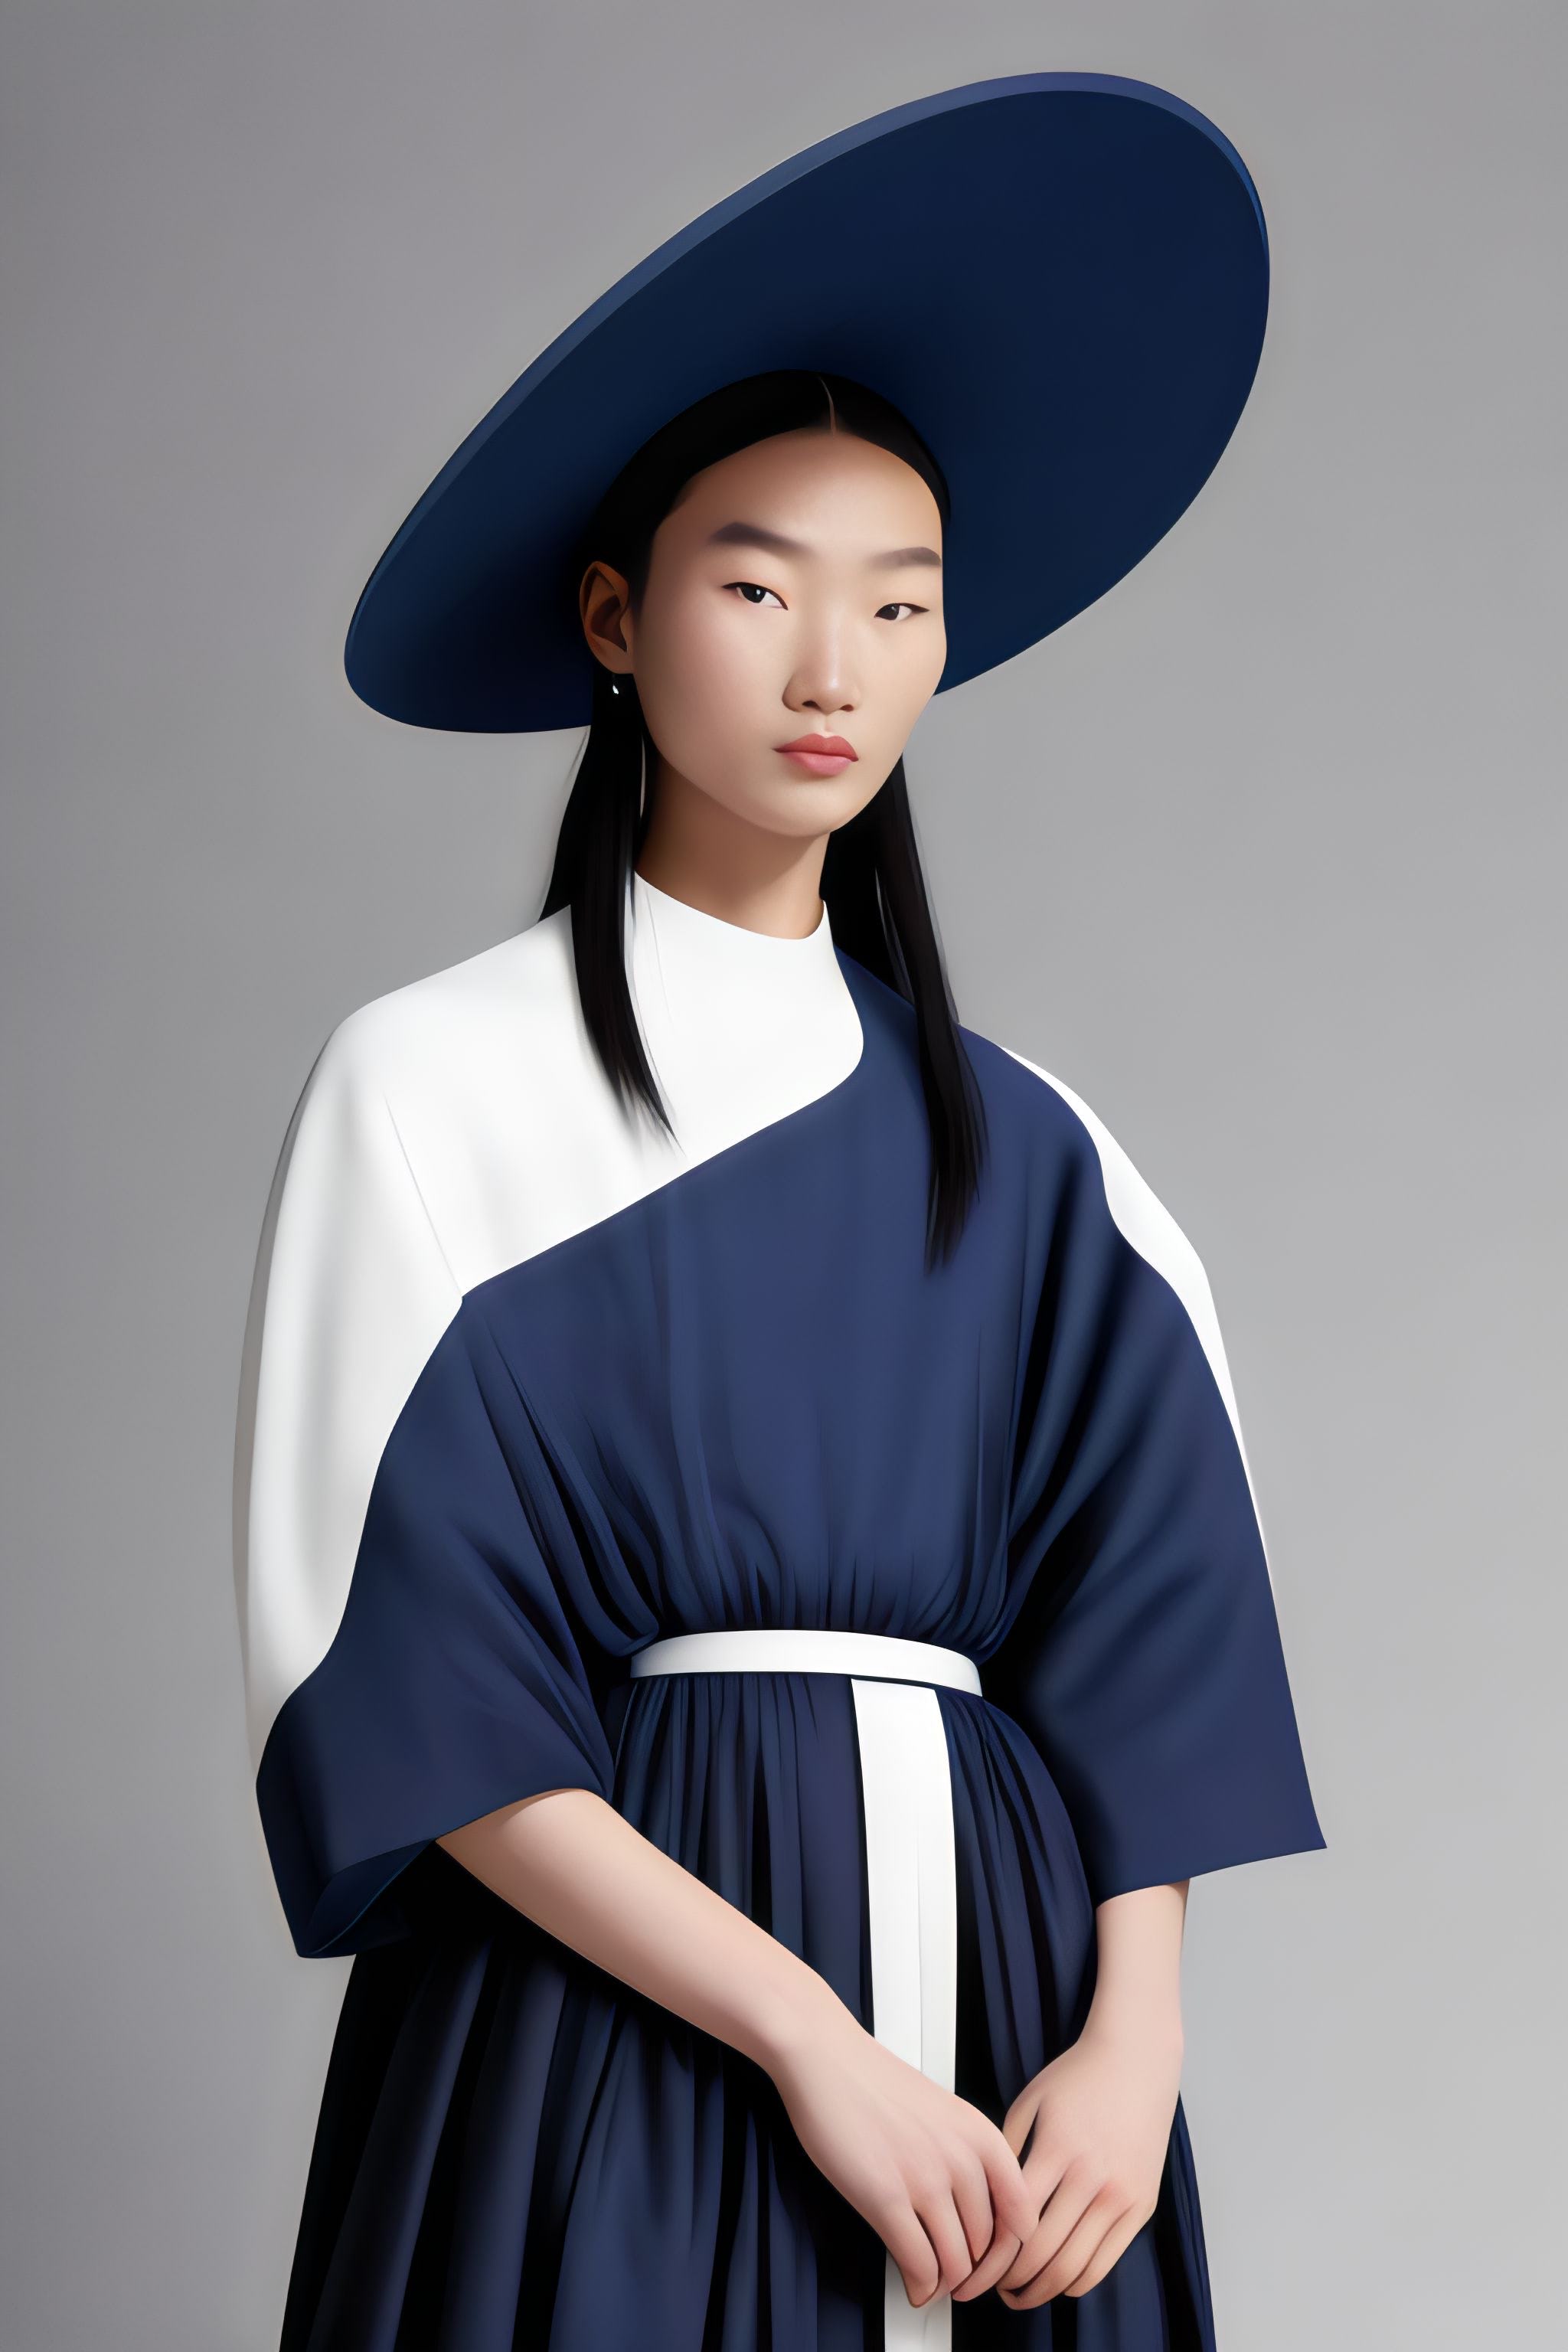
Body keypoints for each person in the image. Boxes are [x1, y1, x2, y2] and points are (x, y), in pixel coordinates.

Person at [233, 74, 1326, 2351]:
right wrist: (812, 2043)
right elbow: (415, 1684)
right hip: (607, 2039)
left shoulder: (1044, 1158)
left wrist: (1133, 2049)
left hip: (1020, 2072)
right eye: (759, 586)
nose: (837, 667)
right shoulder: (432, 1086)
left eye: (900, 602)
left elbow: (1155, 1637)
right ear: (618, 619)